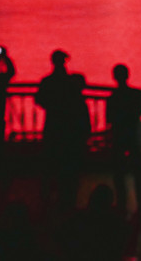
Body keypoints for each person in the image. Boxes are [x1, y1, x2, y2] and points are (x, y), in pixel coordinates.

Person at [35, 50, 91, 208]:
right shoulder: (70, 83)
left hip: (52, 125)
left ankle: (47, 198)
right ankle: (66, 199)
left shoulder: (47, 81)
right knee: (68, 166)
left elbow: (39, 99)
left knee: (50, 162)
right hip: (69, 130)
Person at [106, 64, 141, 212]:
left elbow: (109, 119)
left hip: (119, 135)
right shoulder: (136, 95)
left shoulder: (112, 98)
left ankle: (121, 200)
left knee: (118, 171)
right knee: (138, 170)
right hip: (133, 134)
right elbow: (139, 111)